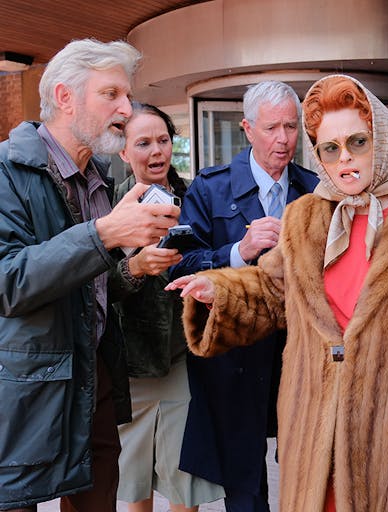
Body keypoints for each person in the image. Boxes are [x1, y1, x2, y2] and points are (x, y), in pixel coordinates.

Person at [166, 73, 388, 512]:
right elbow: (270, 290)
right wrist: (217, 293)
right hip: (313, 435)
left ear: (382, 138)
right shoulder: (305, 216)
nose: (344, 160)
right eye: (330, 148)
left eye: (357, 142)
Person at [0, 39, 181, 511]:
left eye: (127, 94)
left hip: (94, 376)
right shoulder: (5, 172)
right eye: (112, 94)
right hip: (27, 389)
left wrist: (133, 268)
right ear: (65, 98)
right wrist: (103, 235)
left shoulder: (98, 177)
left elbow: (88, 287)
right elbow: (9, 282)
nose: (127, 107)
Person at [169, 81, 318, 512]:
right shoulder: (209, 188)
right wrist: (240, 251)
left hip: (298, 354)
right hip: (236, 358)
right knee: (244, 486)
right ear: (247, 129)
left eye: (291, 127)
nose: (283, 139)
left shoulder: (314, 189)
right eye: (272, 127)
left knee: (304, 469)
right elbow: (182, 266)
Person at [113, 103, 225, 512]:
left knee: (185, 480)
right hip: (130, 366)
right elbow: (98, 287)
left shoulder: (196, 197)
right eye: (143, 143)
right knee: (133, 481)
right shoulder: (108, 205)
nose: (156, 151)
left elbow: (218, 259)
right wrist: (135, 267)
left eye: (163, 140)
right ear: (124, 151)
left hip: (184, 357)